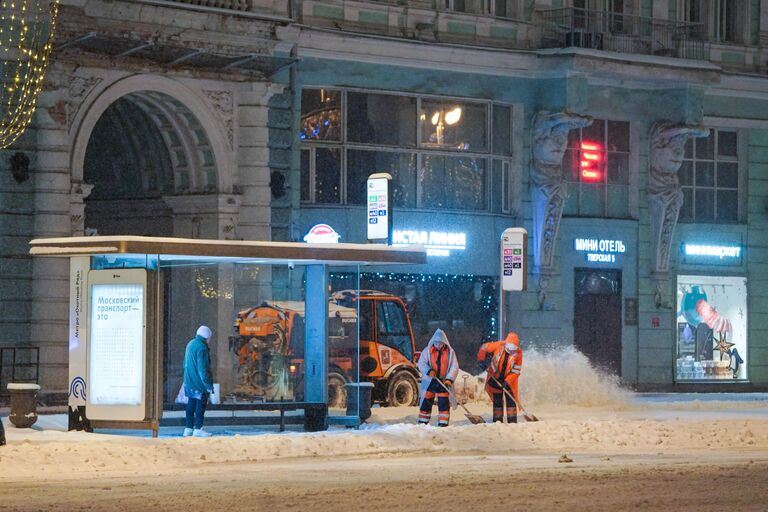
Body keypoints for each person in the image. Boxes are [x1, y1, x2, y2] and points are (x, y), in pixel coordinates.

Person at [477, 332, 522, 423]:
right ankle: (497, 421)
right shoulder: (499, 345)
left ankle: (512, 422)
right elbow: (484, 348)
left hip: (510, 381)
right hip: (495, 378)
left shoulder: (518, 353)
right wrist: (481, 360)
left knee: (511, 402)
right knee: (497, 402)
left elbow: (516, 371)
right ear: (506, 344)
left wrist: (507, 381)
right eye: (510, 347)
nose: (511, 350)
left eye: (514, 348)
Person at [417, 329, 459, 427]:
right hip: (431, 381)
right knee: (426, 402)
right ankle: (423, 422)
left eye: (440, 343)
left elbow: (454, 367)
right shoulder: (427, 351)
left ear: (444, 342)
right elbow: (421, 363)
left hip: (443, 382)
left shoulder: (450, 353)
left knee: (443, 403)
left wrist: (449, 379)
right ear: (433, 342)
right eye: (436, 343)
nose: (438, 345)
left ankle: (443, 423)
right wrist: (428, 371)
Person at [183, 325, 215, 437]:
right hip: (199, 384)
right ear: (207, 337)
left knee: (190, 405)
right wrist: (208, 384)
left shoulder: (190, 344)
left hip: (189, 381)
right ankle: (198, 428)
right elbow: (203, 369)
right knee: (200, 407)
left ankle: (188, 428)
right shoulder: (202, 348)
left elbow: (184, 364)